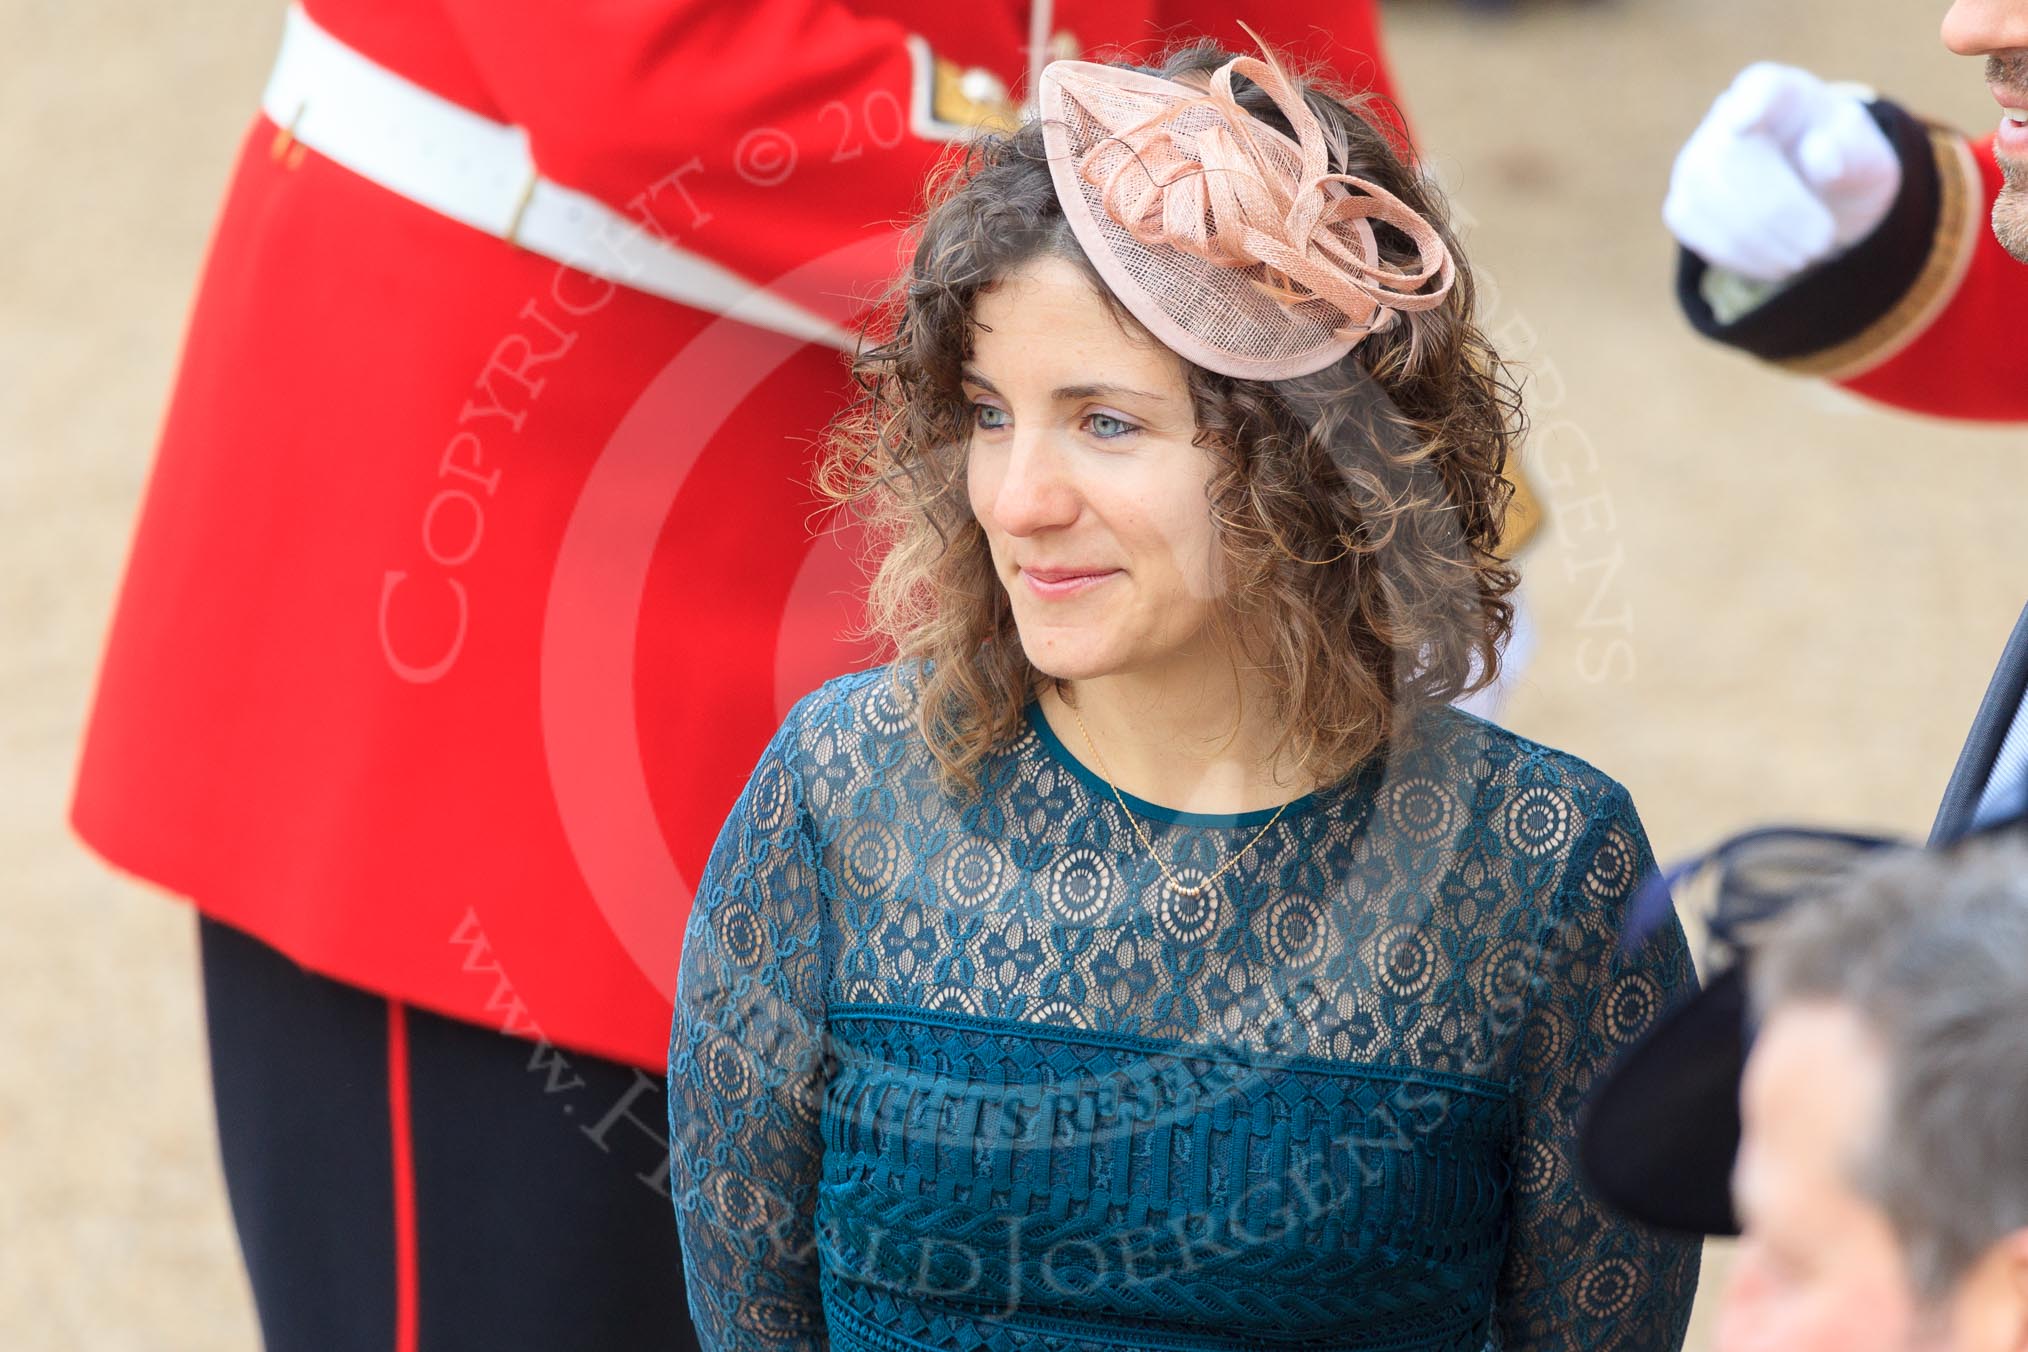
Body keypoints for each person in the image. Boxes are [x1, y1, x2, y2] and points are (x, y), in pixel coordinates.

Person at [68, 1, 1407, 1347]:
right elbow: (642, 69)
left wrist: (1362, 347)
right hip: (518, 583)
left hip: (968, 615)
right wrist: (1217, 296)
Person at [667, 35, 1700, 1352]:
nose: (1020, 500)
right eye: (989, 415)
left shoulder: (1545, 871)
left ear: (1312, 459)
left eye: (1106, 422)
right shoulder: (837, 801)